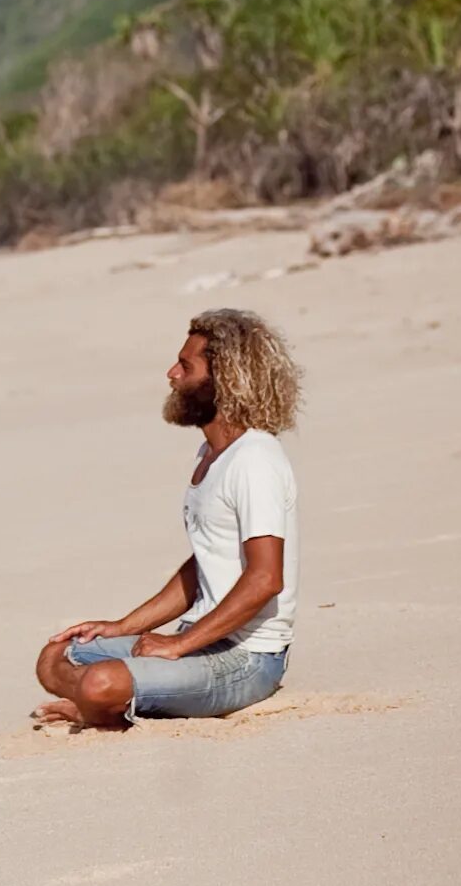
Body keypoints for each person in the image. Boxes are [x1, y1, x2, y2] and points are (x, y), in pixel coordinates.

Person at [34, 308, 301, 728]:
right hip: (201, 638)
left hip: (246, 657)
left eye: (185, 365)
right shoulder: (212, 456)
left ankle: (101, 702)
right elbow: (206, 565)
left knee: (98, 682)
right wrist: (122, 626)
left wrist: (179, 644)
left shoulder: (255, 461)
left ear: (225, 380)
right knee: (58, 655)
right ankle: (112, 698)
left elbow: (265, 578)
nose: (171, 374)